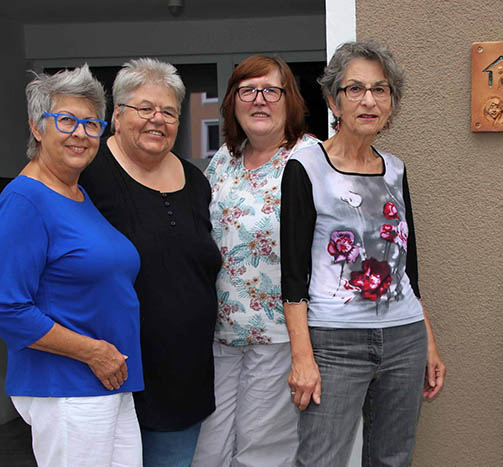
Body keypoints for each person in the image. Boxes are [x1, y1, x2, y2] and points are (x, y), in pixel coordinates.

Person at [280, 40, 446, 466]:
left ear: (392, 102)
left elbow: (406, 265)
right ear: (334, 100)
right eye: (355, 89)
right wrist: (303, 357)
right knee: (321, 459)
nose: (368, 100)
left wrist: (427, 341)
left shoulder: (395, 168)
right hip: (333, 342)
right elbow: (293, 274)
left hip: (404, 338)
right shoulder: (306, 165)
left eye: (381, 89)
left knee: (392, 459)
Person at [79, 58, 221, 467]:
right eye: (145, 108)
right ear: (117, 116)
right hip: (106, 369)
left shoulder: (197, 183)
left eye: (169, 112)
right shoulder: (87, 174)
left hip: (182, 374)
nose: (157, 119)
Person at [0, 65, 143, 466]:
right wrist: (94, 352)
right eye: (65, 119)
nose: (80, 132)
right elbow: (8, 308)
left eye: (91, 123)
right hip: (67, 384)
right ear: (36, 126)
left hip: (108, 382)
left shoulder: (76, 194)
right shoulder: (25, 200)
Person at [191, 55, 318, 467]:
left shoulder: (311, 158)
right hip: (220, 334)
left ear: (289, 100)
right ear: (233, 102)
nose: (259, 100)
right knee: (208, 451)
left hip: (280, 335)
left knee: (260, 455)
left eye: (271, 90)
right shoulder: (222, 161)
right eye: (248, 91)